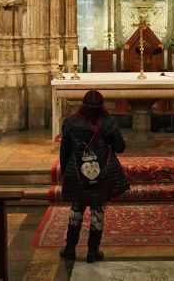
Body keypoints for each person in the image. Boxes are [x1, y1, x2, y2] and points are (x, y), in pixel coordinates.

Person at [58, 90, 129, 263]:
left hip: (77, 172)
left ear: (83, 104)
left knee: (76, 209)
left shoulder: (70, 122)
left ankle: (70, 248)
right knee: (97, 211)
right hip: (103, 173)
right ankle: (93, 251)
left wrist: (66, 172)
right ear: (101, 105)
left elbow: (65, 151)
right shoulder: (109, 122)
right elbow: (120, 147)